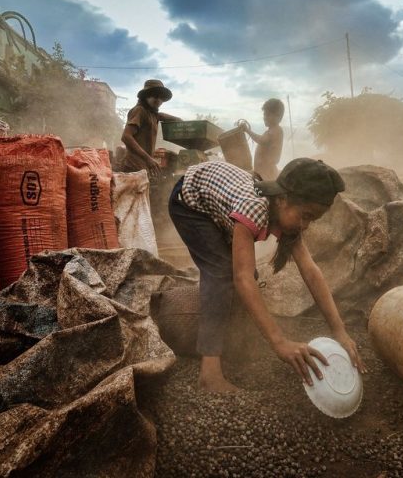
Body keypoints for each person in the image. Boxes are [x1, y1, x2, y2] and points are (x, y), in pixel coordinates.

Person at [168, 157, 367, 392]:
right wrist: (279, 342)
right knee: (222, 273)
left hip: (220, 200)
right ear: (282, 199)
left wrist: (339, 330)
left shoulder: (286, 214)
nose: (306, 225)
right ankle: (209, 373)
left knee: (244, 274)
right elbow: (242, 278)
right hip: (191, 201)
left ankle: (235, 338)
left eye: (313, 219)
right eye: (305, 215)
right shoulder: (253, 210)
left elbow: (311, 272)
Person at [120, 79, 181, 175]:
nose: (158, 99)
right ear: (146, 96)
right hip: (132, 168)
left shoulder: (152, 114)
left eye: (161, 97)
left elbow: (161, 115)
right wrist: (148, 159)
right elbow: (126, 137)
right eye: (154, 95)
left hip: (143, 169)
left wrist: (180, 120)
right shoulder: (139, 110)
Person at [242, 98, 284, 181]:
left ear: (278, 117)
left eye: (268, 115)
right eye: (264, 115)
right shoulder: (270, 131)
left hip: (267, 174)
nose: (265, 117)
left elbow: (261, 140)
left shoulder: (276, 130)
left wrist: (247, 130)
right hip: (261, 173)